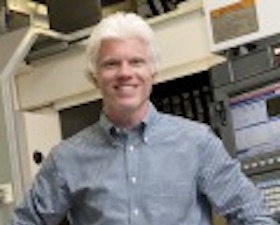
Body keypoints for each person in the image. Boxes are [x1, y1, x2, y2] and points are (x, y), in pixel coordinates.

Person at [8, 12, 277, 225]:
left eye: (136, 62)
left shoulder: (197, 143)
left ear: (153, 72)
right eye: (111, 64)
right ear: (94, 77)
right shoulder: (66, 160)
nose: (125, 73)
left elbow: (254, 216)